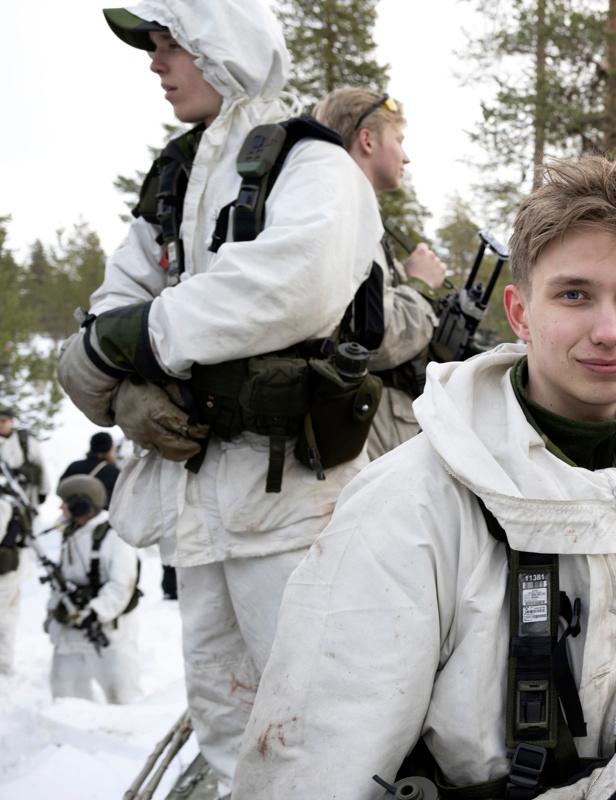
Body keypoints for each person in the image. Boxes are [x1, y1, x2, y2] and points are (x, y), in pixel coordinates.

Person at [235, 156, 616, 799]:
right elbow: (311, 765)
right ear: (520, 313)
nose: (608, 332)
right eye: (574, 294)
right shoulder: (410, 505)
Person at [55, 1, 380, 790]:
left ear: (219, 44)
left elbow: (288, 286)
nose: (156, 63)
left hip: (295, 506)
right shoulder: (174, 180)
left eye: (171, 44)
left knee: (320, 737)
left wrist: (137, 344)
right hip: (199, 507)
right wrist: (121, 378)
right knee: (228, 728)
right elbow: (105, 310)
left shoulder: (313, 167)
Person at [313, 86, 447, 459]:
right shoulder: (347, 217)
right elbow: (375, 340)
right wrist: (420, 286)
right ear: (367, 140)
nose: (406, 156)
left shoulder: (340, 211)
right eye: (399, 140)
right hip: (366, 433)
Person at [45, 475, 142, 704]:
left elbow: (122, 585)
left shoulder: (114, 537)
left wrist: (95, 613)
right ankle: (70, 731)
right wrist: (52, 615)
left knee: (120, 690)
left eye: (65, 501)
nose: (60, 507)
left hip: (107, 630)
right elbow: (61, 579)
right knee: (65, 689)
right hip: (71, 626)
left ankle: (122, 731)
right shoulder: (70, 532)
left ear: (82, 505)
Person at [0, 405, 46, 675]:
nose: (3, 424)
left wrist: (36, 502)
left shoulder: (26, 442)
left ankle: (5, 663)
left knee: (11, 595)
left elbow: (42, 477)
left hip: (22, 522)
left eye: (6, 420)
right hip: (6, 517)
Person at [60, 431, 121, 507]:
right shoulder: (113, 471)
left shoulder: (74, 466)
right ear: (110, 448)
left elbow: (61, 488)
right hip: (101, 516)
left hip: (73, 515)